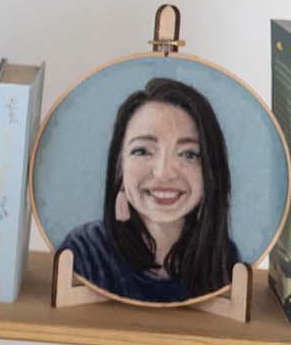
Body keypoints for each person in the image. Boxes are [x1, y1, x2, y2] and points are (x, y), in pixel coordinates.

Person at [61, 77, 240, 304]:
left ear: (211, 171)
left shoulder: (224, 256)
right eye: (143, 151)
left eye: (189, 154)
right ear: (119, 167)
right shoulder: (86, 251)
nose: (164, 173)